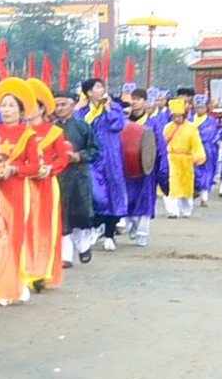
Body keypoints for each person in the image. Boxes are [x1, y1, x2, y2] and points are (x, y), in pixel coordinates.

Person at [0, 79, 40, 306]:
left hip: (15, 191)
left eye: (11, 106)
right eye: (3, 105)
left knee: (13, 237)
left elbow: (34, 166)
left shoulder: (29, 135)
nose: (6, 110)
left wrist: (14, 169)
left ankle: (10, 285)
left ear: (21, 110)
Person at [23, 77, 67, 291]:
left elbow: (63, 158)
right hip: (23, 185)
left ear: (41, 109)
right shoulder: (21, 131)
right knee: (24, 227)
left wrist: (50, 168)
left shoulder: (54, 132)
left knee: (45, 227)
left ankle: (41, 271)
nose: (29, 111)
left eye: (33, 106)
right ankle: (24, 269)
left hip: (47, 185)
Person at [78, 78, 127, 256]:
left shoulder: (114, 109)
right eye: (98, 87)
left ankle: (109, 234)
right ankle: (96, 227)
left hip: (112, 157)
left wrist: (108, 109)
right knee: (96, 196)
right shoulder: (83, 112)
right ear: (89, 92)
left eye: (102, 87)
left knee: (114, 195)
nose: (102, 90)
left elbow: (118, 126)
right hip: (93, 158)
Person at [54, 89, 102, 266]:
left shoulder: (83, 127)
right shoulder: (52, 128)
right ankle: (65, 257)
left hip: (79, 176)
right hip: (58, 177)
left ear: (73, 105)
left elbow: (95, 150)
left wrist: (79, 156)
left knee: (80, 215)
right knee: (61, 215)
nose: (59, 108)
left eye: (63, 104)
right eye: (57, 105)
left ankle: (83, 247)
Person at [121, 87, 160, 246]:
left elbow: (159, 147)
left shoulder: (152, 124)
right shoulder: (123, 122)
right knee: (127, 199)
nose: (135, 103)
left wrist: (159, 168)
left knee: (144, 200)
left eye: (138, 99)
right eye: (132, 100)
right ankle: (132, 227)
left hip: (146, 169)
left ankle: (142, 232)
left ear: (145, 102)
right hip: (126, 168)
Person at [160, 96, 208, 217]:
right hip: (171, 159)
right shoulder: (167, 127)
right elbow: (162, 143)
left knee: (186, 187)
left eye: (179, 115)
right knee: (172, 185)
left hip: (186, 160)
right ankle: (172, 211)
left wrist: (198, 156)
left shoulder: (192, 128)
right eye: (175, 115)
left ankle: (186, 210)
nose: (177, 118)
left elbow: (196, 143)